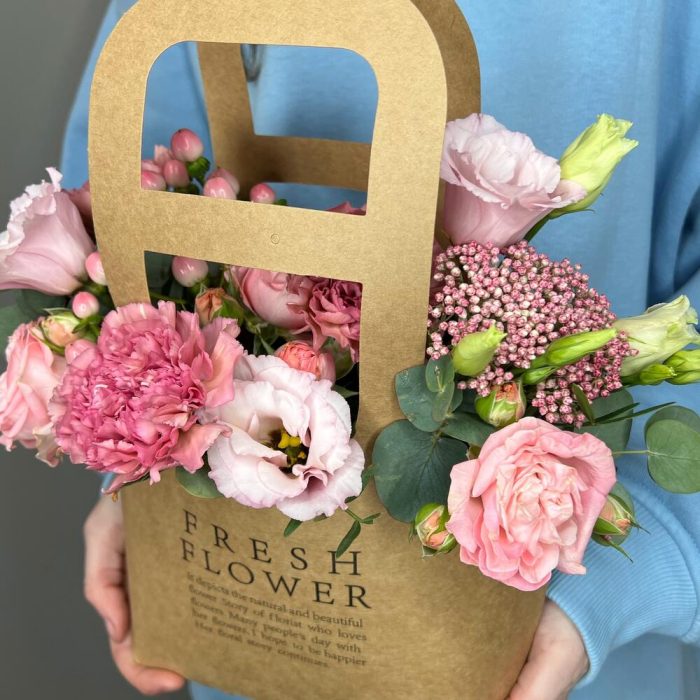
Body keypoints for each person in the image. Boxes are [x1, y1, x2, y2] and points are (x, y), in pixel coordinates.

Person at [63, 1, 700, 698]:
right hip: (241, 624)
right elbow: (123, 183)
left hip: (554, 634)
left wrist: (631, 570)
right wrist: (133, 472)